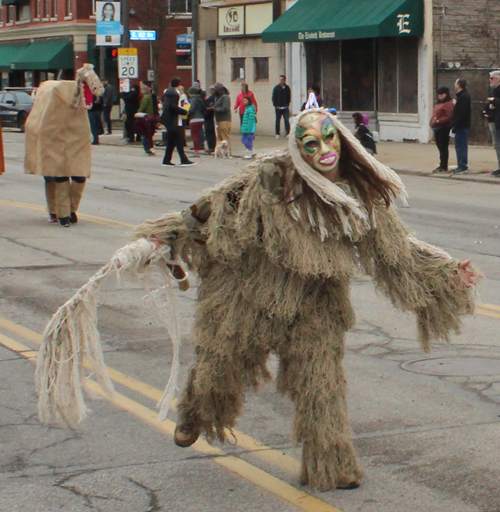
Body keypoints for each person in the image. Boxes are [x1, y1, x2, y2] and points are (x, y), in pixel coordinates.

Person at [37, 108, 480, 493]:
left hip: (316, 303)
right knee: (219, 368)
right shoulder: (267, 180)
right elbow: (204, 211)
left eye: (329, 138)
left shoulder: (358, 196)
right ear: (297, 148)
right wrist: (158, 240)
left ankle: (332, 465)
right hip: (247, 296)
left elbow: (396, 251)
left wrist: (445, 274)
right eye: (311, 142)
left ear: (342, 140)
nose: (323, 149)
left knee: (322, 384)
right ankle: (196, 411)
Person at [25, 64, 104, 226]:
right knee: (57, 175)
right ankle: (59, 212)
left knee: (80, 174)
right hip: (53, 134)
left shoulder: (79, 102)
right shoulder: (54, 93)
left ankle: (70, 208)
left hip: (76, 134)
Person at [160, 77, 195, 167]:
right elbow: (173, 107)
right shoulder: (174, 94)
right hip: (173, 120)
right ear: (178, 84)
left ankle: (167, 160)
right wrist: (183, 111)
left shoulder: (168, 92)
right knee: (178, 140)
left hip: (168, 119)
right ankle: (184, 159)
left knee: (171, 141)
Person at [430, 87, 454, 173]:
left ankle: (444, 165)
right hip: (437, 127)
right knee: (440, 147)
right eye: (438, 94)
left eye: (442, 94)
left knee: (443, 147)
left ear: (446, 94)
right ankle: (442, 164)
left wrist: (439, 121)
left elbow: (450, 116)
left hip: (444, 127)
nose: (440, 96)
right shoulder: (438, 104)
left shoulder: (448, 104)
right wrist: (432, 122)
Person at [451, 78, 471, 174]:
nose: (454, 85)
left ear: (459, 85)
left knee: (461, 146)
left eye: (455, 83)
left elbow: (462, 113)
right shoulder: (461, 96)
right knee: (458, 146)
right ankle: (460, 165)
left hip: (462, 126)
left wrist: (455, 124)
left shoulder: (464, 97)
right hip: (460, 125)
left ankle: (463, 165)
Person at [134, 81, 157, 155]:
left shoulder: (145, 98)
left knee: (144, 134)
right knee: (150, 134)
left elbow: (142, 108)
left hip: (146, 117)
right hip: (152, 116)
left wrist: (137, 113)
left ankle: (147, 148)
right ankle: (150, 147)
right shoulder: (151, 97)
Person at [485, 70, 500, 177]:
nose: (490, 80)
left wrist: (494, 101)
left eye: (492, 78)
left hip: (497, 121)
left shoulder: (497, 91)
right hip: (493, 120)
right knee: (496, 144)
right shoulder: (493, 90)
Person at [214, 82, 232, 155]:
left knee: (225, 137)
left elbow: (225, 108)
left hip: (225, 120)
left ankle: (228, 152)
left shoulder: (225, 97)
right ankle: (221, 152)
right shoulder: (218, 97)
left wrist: (215, 109)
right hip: (219, 120)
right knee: (219, 137)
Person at [188, 87, 206, 154]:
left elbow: (192, 109)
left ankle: (196, 151)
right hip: (201, 118)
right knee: (199, 134)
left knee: (194, 135)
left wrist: (188, 113)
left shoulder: (193, 99)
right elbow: (204, 108)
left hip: (194, 119)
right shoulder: (200, 99)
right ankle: (199, 147)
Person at [204, 87, 216, 154]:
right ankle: (211, 146)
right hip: (209, 117)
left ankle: (211, 146)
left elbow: (210, 106)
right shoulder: (212, 98)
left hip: (209, 117)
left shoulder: (211, 98)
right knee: (210, 132)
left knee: (209, 132)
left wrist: (207, 109)